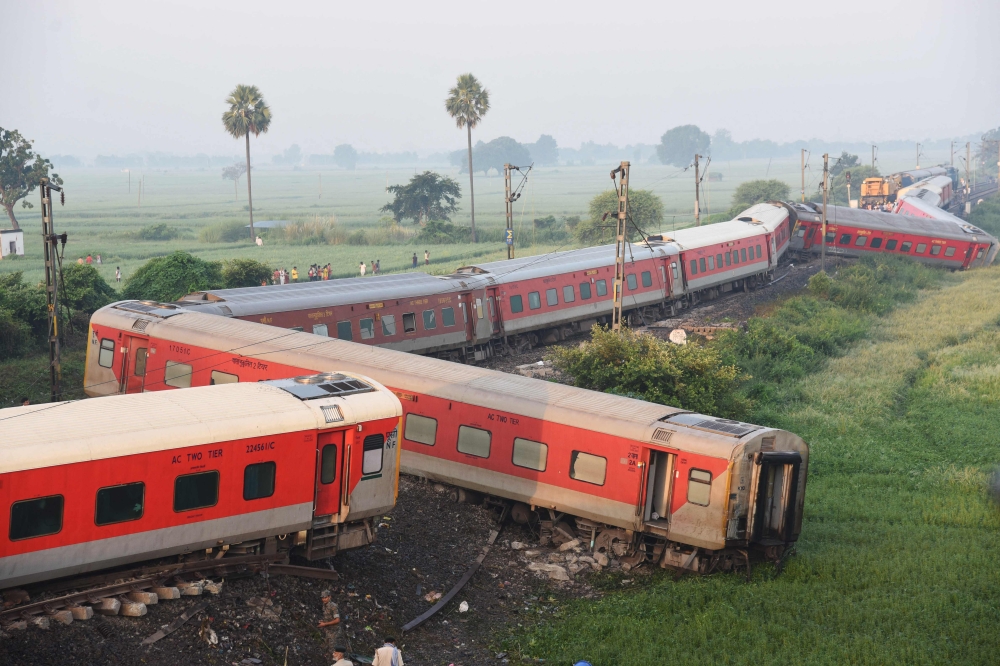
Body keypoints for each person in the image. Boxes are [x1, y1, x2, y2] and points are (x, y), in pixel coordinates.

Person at [317, 590, 343, 656]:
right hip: (328, 631)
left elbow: (337, 620)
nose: (324, 599)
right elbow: (328, 617)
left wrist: (325, 624)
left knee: (333, 650)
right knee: (326, 648)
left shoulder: (333, 606)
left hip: (334, 632)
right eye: (322, 598)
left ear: (329, 597)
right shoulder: (324, 605)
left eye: (325, 598)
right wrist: (323, 621)